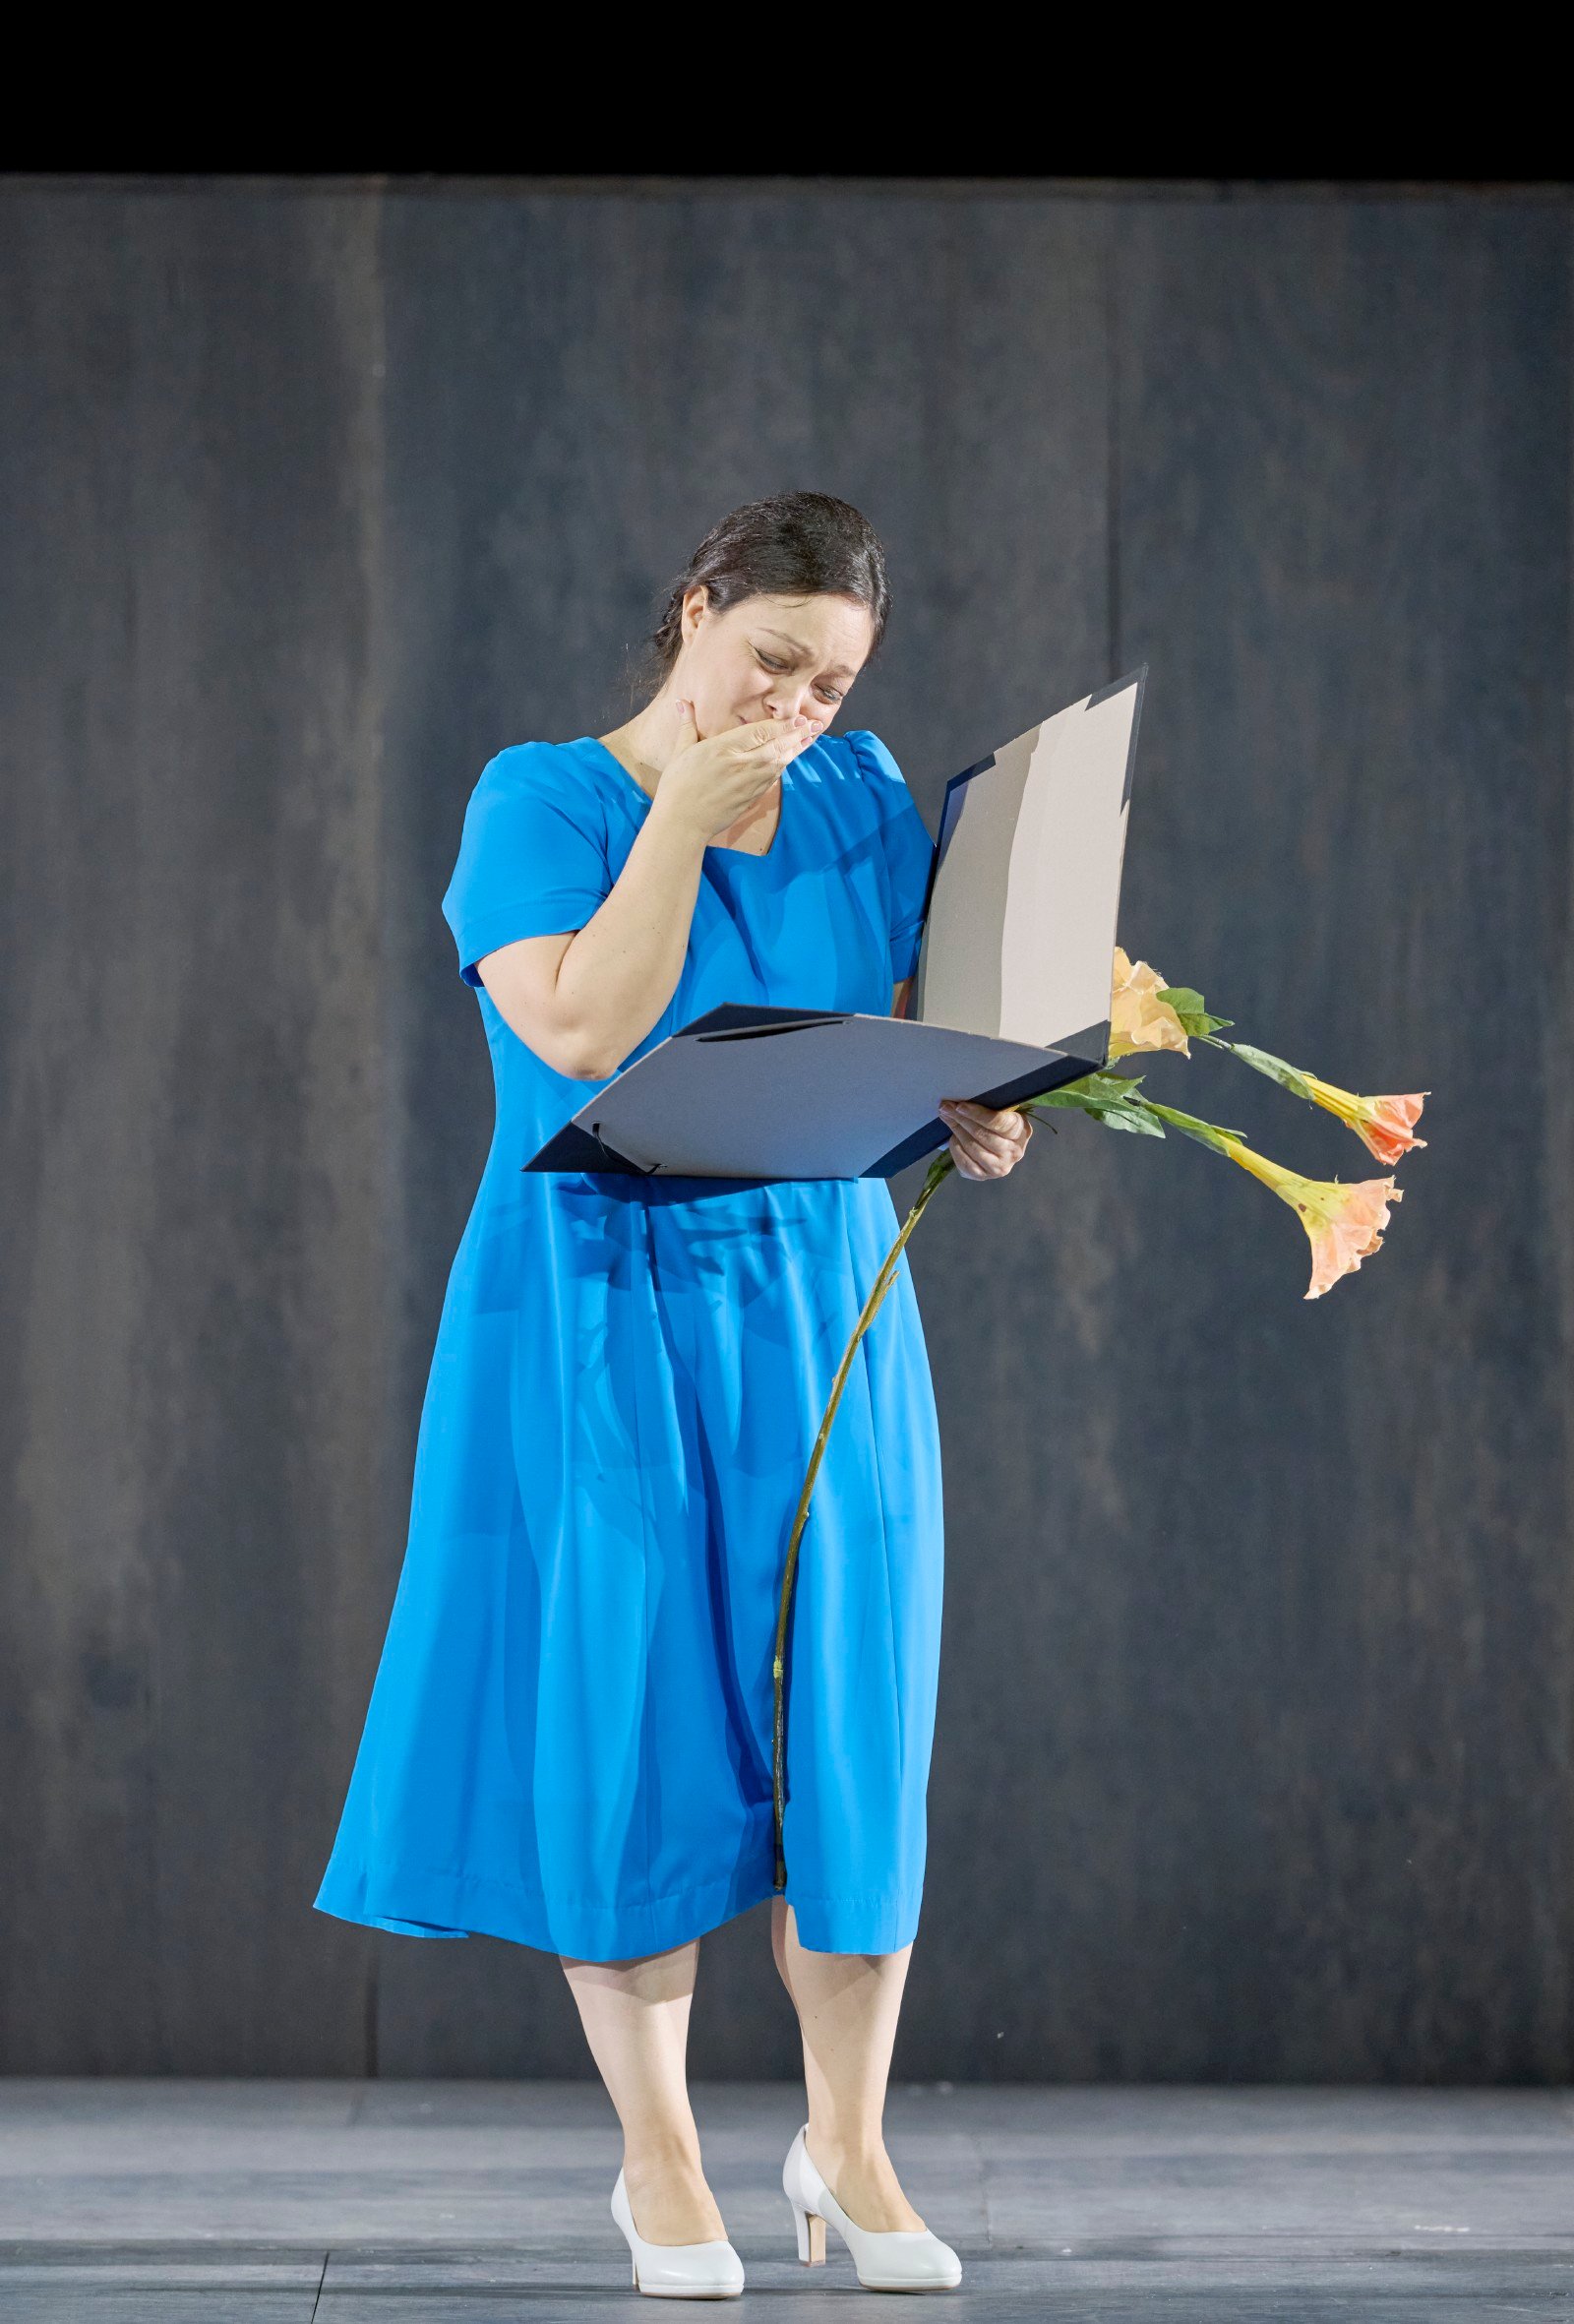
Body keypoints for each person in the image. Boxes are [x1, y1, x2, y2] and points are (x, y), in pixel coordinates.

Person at [314, 492, 1033, 2295]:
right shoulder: (544, 798)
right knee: (629, 1714)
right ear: (696, 613)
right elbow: (578, 1029)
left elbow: (885, 1029)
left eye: (833, 676)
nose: (796, 703)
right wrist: (682, 827)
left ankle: (851, 2146)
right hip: (597, 1304)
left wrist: (972, 1103)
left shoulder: (862, 796)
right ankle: (663, 2166)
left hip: (821, 1301)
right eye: (770, 660)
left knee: (848, 1716)